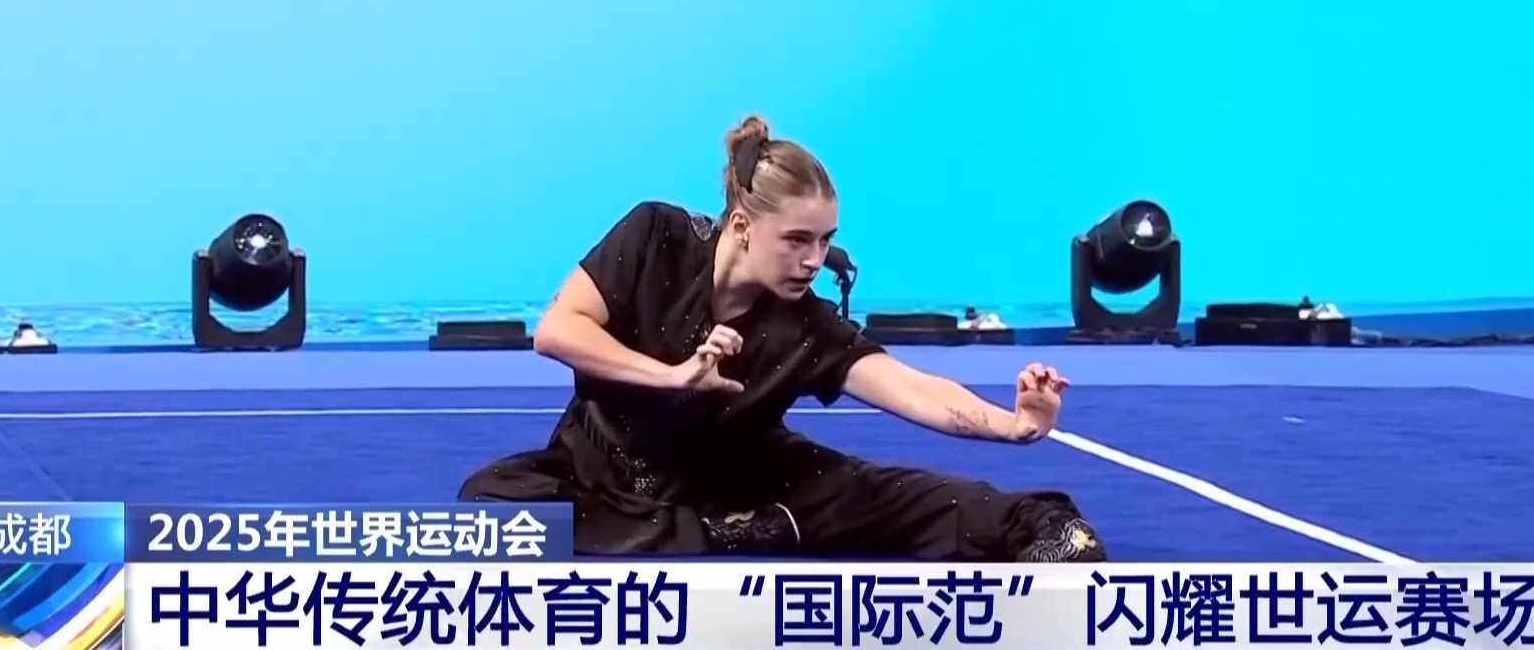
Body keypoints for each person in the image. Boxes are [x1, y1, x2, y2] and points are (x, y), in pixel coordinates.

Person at [458, 115, 1105, 561]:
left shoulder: (806, 322)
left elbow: (908, 387)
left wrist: (1015, 425)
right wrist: (673, 376)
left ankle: (1038, 526)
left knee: (878, 493)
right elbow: (557, 330)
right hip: (600, 472)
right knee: (492, 506)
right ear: (741, 225)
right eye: (796, 240)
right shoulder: (656, 235)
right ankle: (732, 532)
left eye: (824, 241)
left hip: (736, 476)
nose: (813, 260)